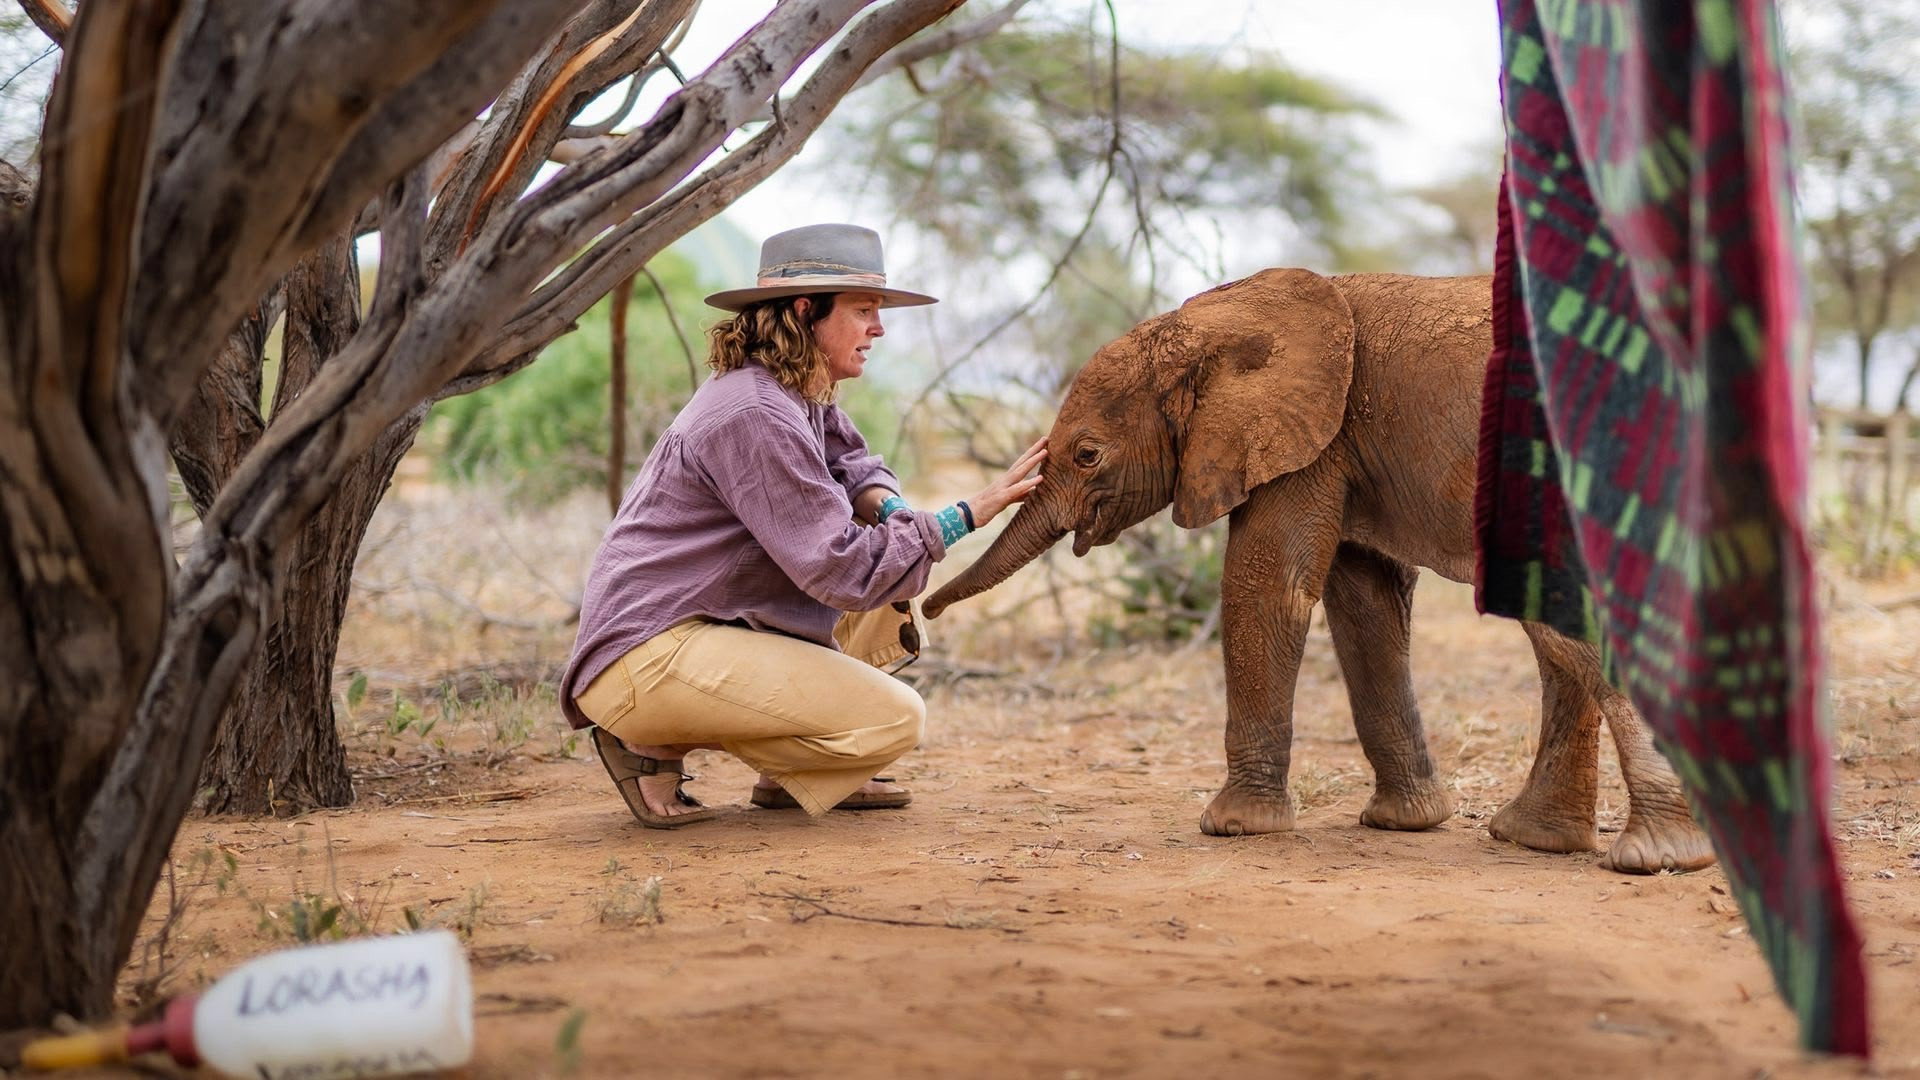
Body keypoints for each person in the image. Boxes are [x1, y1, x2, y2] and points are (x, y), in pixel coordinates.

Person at [559, 223, 1047, 828]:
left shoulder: (795, 394)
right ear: (804, 311)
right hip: (649, 654)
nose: (880, 328)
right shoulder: (756, 414)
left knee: (888, 588)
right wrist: (968, 514)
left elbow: (854, 465)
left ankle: (787, 774)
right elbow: (841, 566)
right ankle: (650, 746)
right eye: (864, 310)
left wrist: (896, 513)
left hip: (694, 626)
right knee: (895, 719)